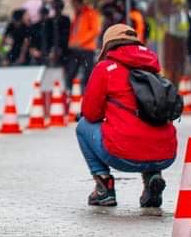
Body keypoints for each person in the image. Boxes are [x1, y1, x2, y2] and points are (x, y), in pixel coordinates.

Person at [76, 24, 177, 208]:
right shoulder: (153, 69)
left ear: (108, 46)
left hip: (122, 154)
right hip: (165, 154)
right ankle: (152, 178)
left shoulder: (105, 69)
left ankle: (103, 188)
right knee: (150, 125)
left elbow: (91, 114)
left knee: (83, 126)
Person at [66, 0, 100, 87]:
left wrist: (80, 42)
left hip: (87, 48)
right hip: (76, 49)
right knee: (71, 71)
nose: (73, 7)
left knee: (88, 72)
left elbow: (94, 30)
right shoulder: (77, 15)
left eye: (74, 4)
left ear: (79, 3)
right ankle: (70, 91)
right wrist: (71, 42)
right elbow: (74, 31)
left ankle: (86, 92)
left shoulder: (90, 13)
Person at [47, 0, 71, 70]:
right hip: (53, 47)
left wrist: (61, 47)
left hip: (63, 48)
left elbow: (66, 34)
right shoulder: (50, 21)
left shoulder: (65, 20)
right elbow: (48, 36)